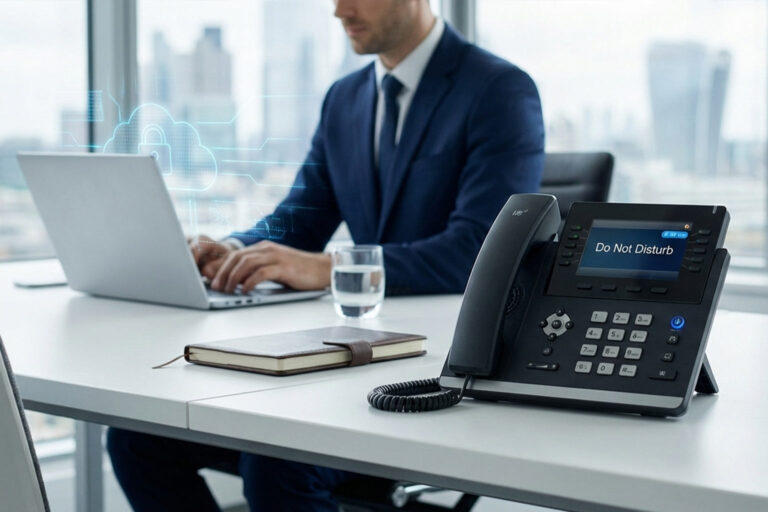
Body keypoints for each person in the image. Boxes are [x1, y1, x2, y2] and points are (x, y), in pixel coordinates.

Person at [107, 0, 544, 510]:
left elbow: (477, 251)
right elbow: (302, 214)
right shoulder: (346, 98)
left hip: (428, 369)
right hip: (350, 356)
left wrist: (330, 267)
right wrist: (233, 248)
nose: (339, 11)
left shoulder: (497, 90)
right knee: (136, 439)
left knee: (278, 460)